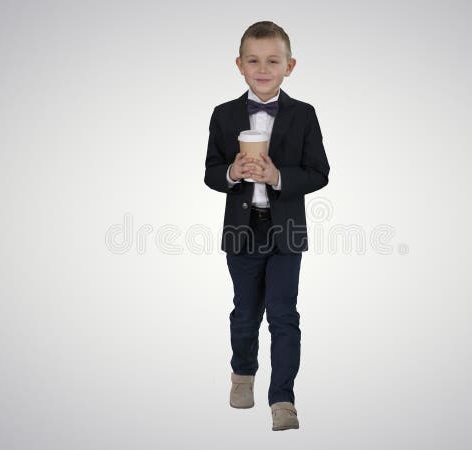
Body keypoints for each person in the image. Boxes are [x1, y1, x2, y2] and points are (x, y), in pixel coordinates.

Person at [203, 20, 330, 431]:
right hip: (242, 231)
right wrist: (232, 173)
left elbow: (319, 172)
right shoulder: (223, 115)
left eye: (273, 60)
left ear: (289, 66)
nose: (263, 68)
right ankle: (243, 373)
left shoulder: (304, 114)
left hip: (286, 232)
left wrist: (278, 177)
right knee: (245, 313)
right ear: (239, 65)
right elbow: (210, 173)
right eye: (254, 60)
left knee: (283, 315)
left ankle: (283, 400)